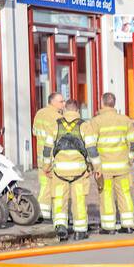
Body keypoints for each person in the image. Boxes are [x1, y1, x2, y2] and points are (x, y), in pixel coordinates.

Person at [43, 99, 95, 241]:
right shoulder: (85, 126)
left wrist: (46, 167)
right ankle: (80, 231)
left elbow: (47, 149)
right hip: (79, 172)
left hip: (59, 171)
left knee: (59, 199)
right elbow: (92, 150)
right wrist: (95, 168)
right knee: (79, 200)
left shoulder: (55, 125)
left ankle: (61, 226)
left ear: (64, 110)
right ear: (77, 111)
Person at [89, 92, 134, 234]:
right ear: (114, 103)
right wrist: (129, 160)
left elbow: (91, 146)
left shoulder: (96, 122)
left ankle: (108, 227)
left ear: (102, 103)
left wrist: (96, 166)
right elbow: (133, 143)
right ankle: (128, 225)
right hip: (122, 168)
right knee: (125, 195)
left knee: (106, 196)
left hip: (105, 169)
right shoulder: (126, 120)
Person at [32, 92, 66, 222]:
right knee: (53, 188)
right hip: (53, 158)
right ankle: (47, 213)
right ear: (53, 102)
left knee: (44, 185)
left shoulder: (39, 113)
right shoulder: (57, 117)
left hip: (41, 157)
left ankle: (43, 212)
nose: (63, 104)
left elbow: (34, 132)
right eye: (61, 101)